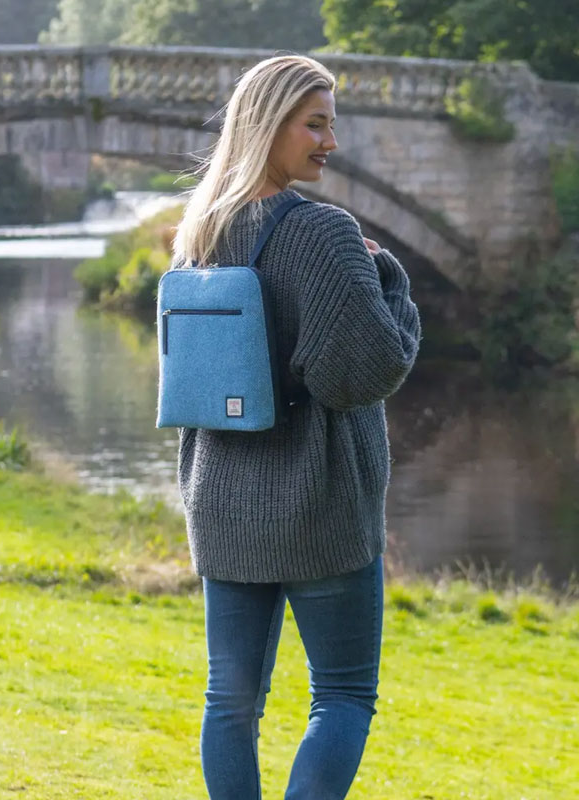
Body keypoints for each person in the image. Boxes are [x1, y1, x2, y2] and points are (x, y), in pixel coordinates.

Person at [171, 54, 421, 800]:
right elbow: (365, 373)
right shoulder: (325, 234)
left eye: (330, 126)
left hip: (221, 502)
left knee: (231, 704)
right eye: (316, 124)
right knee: (342, 696)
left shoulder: (200, 232)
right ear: (269, 124)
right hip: (320, 507)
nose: (329, 143)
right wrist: (392, 284)